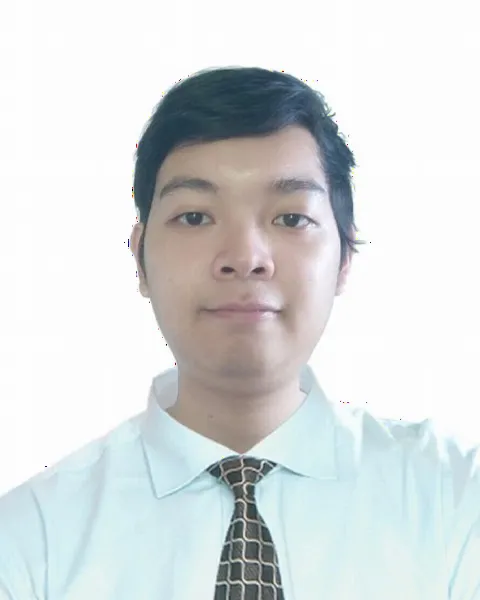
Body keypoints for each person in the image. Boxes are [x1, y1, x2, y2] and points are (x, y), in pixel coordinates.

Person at [0, 66, 478, 600]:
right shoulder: (31, 540)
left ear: (344, 257)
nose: (245, 257)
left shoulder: (455, 499)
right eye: (195, 217)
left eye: (291, 218)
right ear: (139, 259)